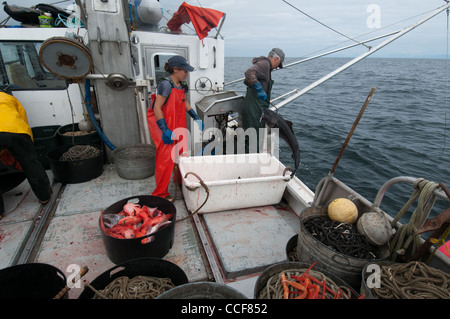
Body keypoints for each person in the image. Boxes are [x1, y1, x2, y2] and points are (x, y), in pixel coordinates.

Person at [147, 55, 203, 201]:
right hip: (165, 124)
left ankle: (180, 180)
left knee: (182, 154)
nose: (187, 74)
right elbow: (157, 107)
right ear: (175, 70)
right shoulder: (166, 84)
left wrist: (195, 116)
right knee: (165, 160)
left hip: (179, 124)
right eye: (185, 71)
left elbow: (184, 103)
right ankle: (160, 194)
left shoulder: (181, 84)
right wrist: (164, 129)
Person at [0, 91, 51, 212]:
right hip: (16, 130)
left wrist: (2, 152)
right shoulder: (8, 98)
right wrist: (25, 153)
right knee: (31, 164)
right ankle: (44, 197)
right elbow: (22, 122)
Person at [242, 48, 285, 152]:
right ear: (276, 59)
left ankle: (247, 158)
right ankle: (251, 163)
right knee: (254, 137)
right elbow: (248, 73)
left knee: (250, 136)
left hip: (253, 106)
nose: (276, 68)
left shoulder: (265, 66)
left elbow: (247, 80)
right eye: (278, 65)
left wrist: (257, 85)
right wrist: (258, 88)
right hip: (255, 109)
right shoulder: (264, 64)